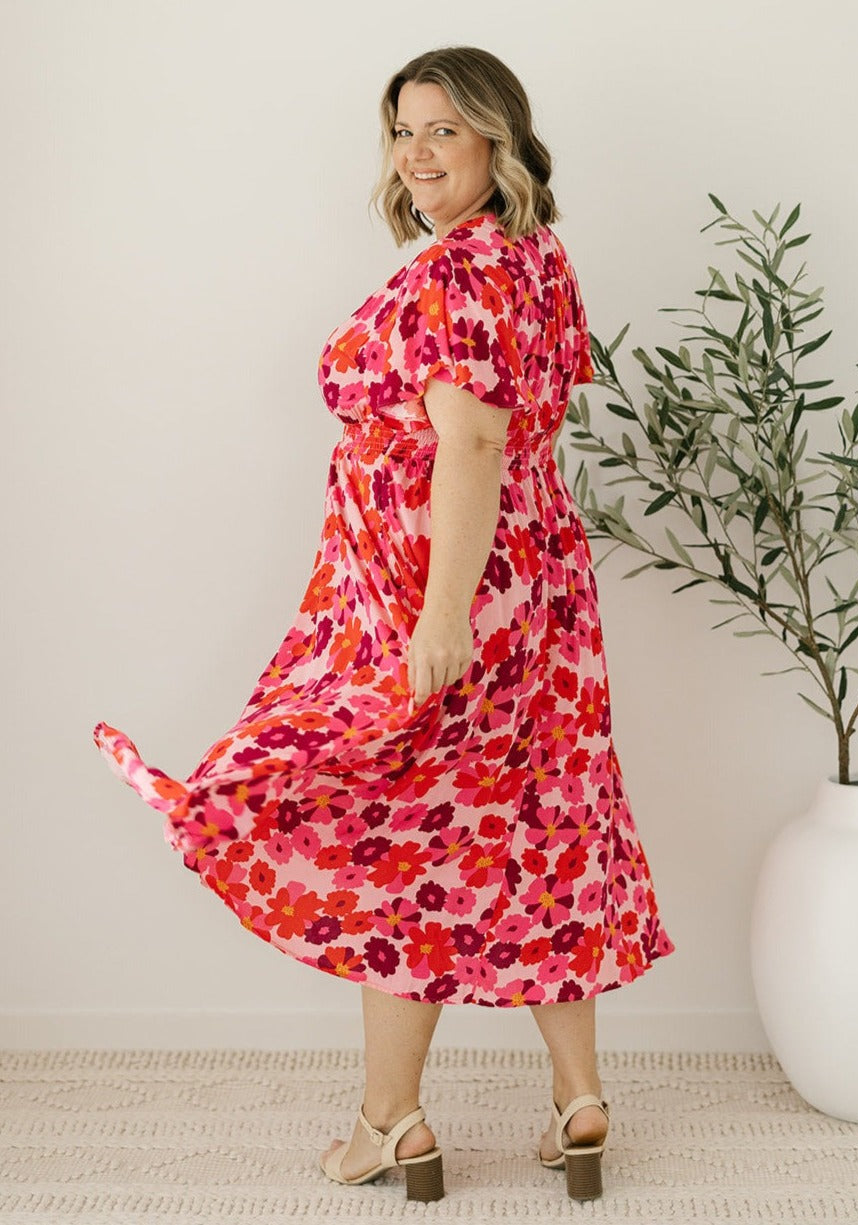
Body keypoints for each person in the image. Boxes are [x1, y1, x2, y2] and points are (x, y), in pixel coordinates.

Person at [94, 45, 674, 1203]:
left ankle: (388, 1120)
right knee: (544, 826)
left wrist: (441, 615)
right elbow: (525, 429)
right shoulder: (535, 257)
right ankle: (579, 1104)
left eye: (442, 130)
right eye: (402, 131)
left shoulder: (458, 275)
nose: (414, 154)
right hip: (539, 590)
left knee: (398, 838)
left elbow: (475, 439)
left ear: (498, 140)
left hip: (440, 597)